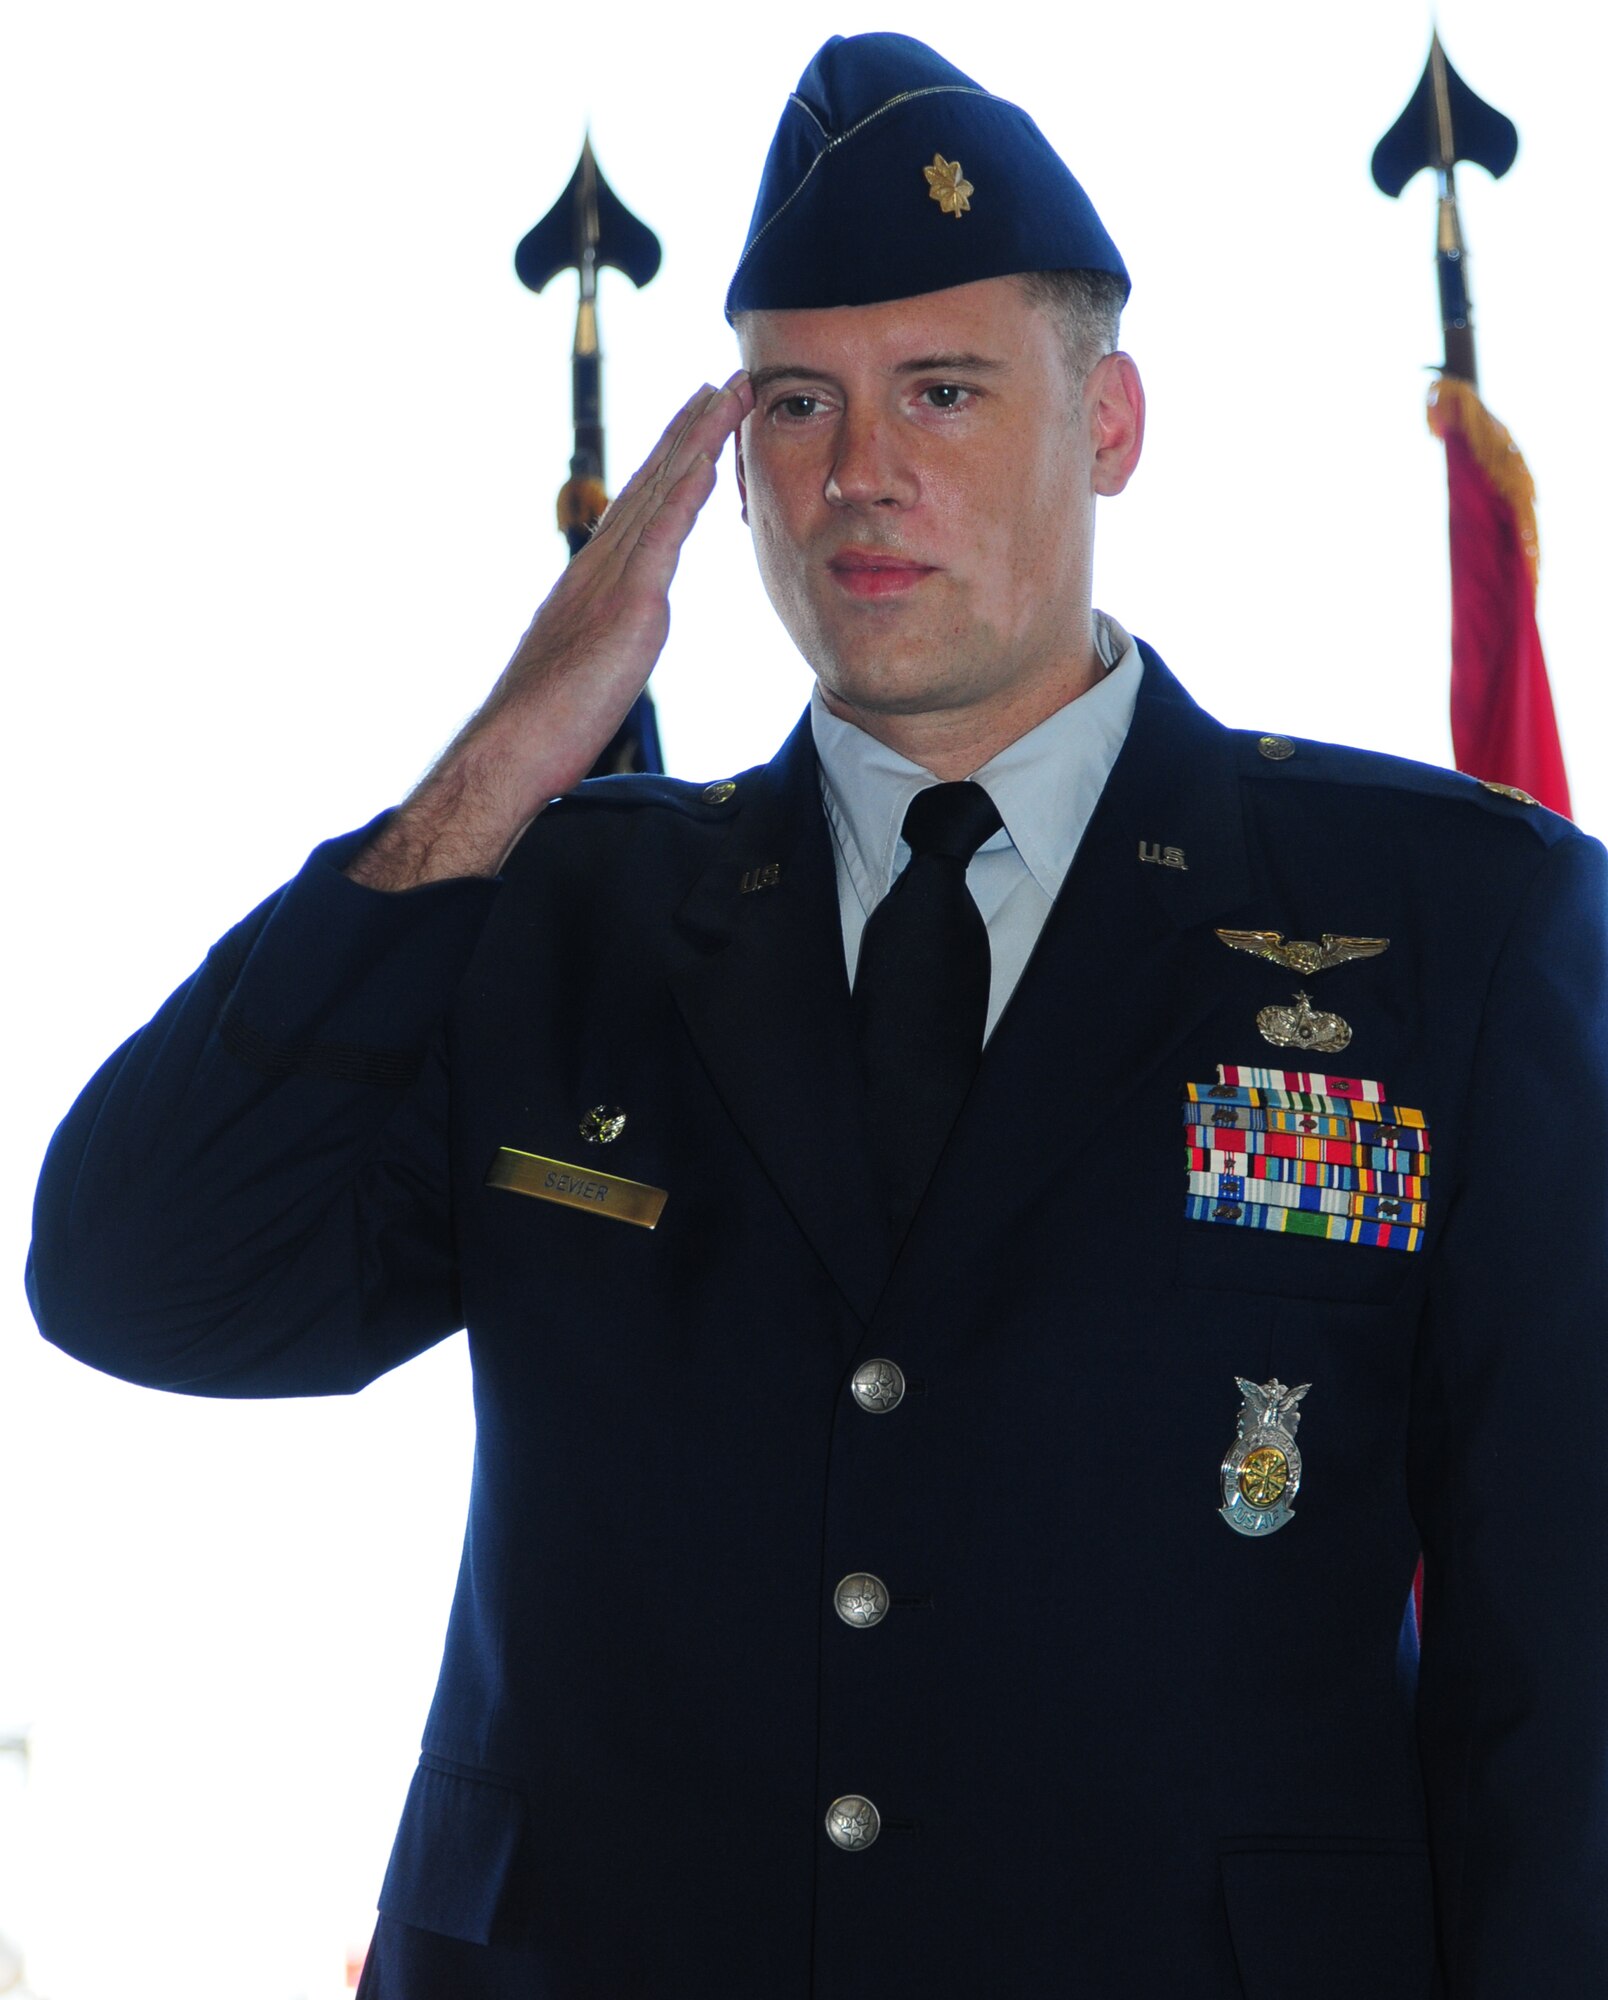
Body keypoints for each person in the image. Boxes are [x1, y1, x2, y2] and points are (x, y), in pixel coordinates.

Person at [27, 31, 1608, 1999]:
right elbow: (139, 1278)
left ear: (1110, 420)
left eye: (942, 391)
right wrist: (505, 756)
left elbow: (1567, 1680)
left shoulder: (1444, 921)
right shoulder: (559, 915)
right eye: (797, 402)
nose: (861, 470)